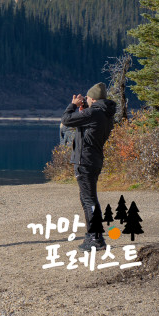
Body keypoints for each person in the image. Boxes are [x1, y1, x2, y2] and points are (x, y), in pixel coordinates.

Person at [61, 82, 116, 250]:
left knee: (88, 199)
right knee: (89, 198)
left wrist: (73, 105)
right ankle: (93, 236)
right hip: (94, 159)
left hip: (85, 161)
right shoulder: (105, 114)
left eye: (87, 98)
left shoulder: (93, 113)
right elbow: (84, 125)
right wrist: (83, 108)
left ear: (92, 98)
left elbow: (66, 120)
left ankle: (96, 239)